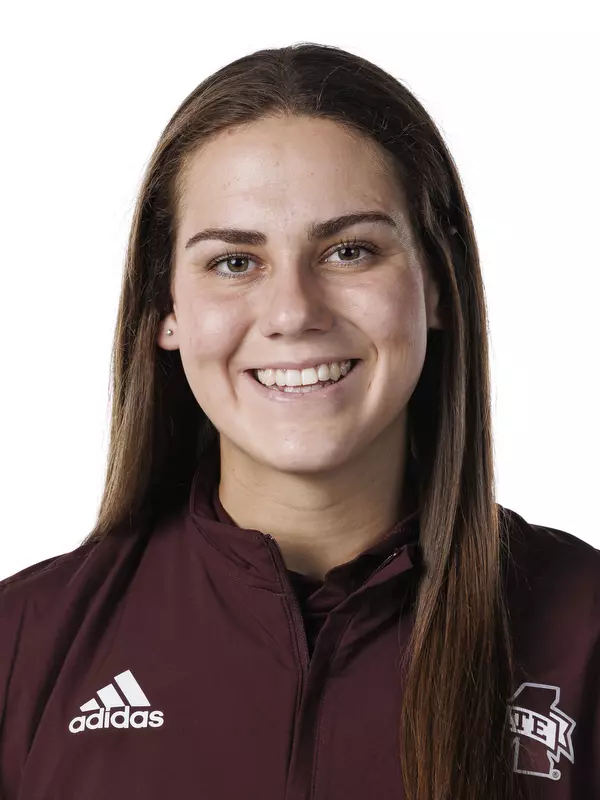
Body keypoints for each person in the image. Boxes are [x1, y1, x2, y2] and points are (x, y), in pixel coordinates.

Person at [0, 42, 598, 800]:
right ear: (167, 310)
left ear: (438, 287)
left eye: (350, 251)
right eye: (234, 263)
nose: (293, 313)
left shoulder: (583, 628)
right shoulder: (23, 649)